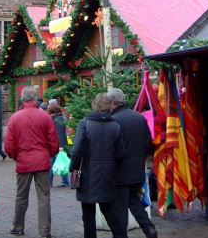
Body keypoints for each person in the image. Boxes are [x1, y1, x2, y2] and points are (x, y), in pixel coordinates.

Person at [68, 93, 127, 238]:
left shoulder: (85, 123)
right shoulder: (115, 126)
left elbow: (77, 150)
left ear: (94, 105)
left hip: (87, 173)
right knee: (108, 208)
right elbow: (120, 153)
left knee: (88, 212)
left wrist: (73, 168)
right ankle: (121, 236)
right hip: (107, 173)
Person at [4, 86, 58, 238]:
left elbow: (9, 144)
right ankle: (45, 231)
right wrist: (47, 154)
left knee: (21, 196)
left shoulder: (15, 117)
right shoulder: (45, 117)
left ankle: (18, 226)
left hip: (24, 161)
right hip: (41, 160)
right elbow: (53, 141)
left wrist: (16, 156)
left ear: (22, 99)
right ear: (35, 99)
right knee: (44, 197)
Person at [108, 88, 158, 238]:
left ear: (112, 102)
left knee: (120, 207)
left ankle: (121, 235)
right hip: (137, 170)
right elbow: (149, 142)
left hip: (120, 171)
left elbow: (112, 148)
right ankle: (149, 228)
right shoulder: (139, 117)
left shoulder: (114, 120)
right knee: (134, 201)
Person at [47, 101, 69, 188]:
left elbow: (59, 133)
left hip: (57, 145)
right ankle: (64, 180)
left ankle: (51, 182)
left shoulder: (56, 119)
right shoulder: (60, 117)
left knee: (53, 163)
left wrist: (61, 146)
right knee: (59, 162)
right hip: (58, 144)